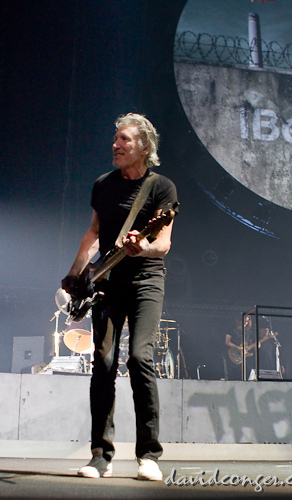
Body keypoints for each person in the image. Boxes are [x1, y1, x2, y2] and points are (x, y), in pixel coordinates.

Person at [61, 113, 178, 480]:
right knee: (104, 363)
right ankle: (101, 455)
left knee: (140, 358)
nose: (115, 145)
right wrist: (76, 273)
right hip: (106, 284)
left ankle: (149, 456)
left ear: (144, 146)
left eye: (124, 140)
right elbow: (94, 233)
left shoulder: (162, 188)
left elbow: (162, 243)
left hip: (146, 280)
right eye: (115, 139)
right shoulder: (103, 184)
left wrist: (139, 249)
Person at [225, 314, 257, 380]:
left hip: (244, 356)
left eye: (247, 322)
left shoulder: (249, 332)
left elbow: (250, 344)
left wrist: (255, 346)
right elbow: (227, 342)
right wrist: (238, 347)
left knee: (248, 372)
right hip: (234, 353)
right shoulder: (231, 329)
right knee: (235, 373)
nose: (246, 323)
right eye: (244, 321)